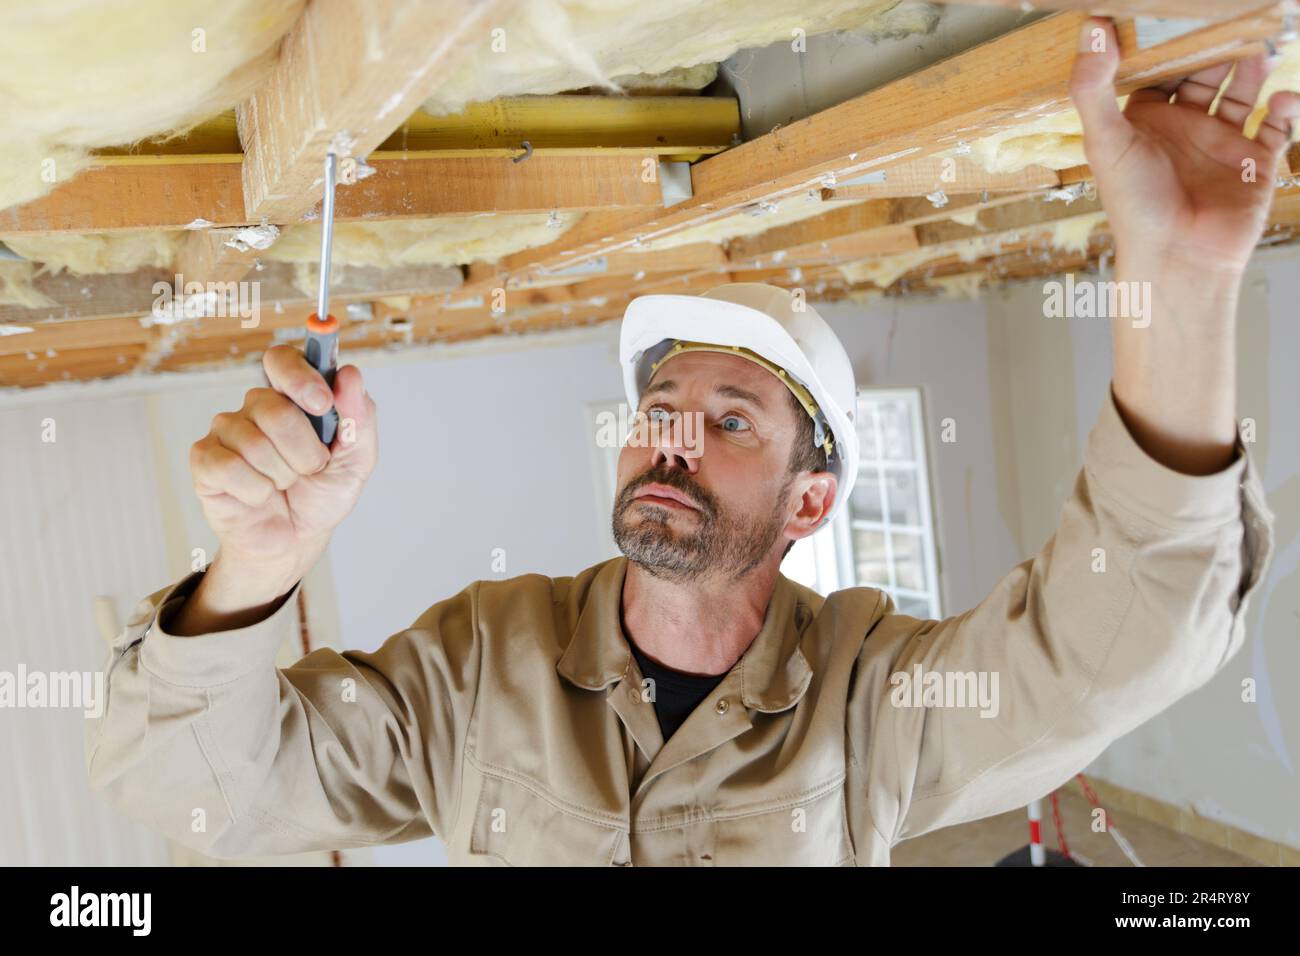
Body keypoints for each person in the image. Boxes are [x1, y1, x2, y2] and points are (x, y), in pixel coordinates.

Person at [87, 19, 1291, 865]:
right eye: (660, 410)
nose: (669, 441)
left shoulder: (871, 704)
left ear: (810, 503)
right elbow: (196, 794)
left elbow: (1121, 636)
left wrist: (1176, 284)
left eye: (727, 422)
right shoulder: (473, 670)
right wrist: (250, 567)